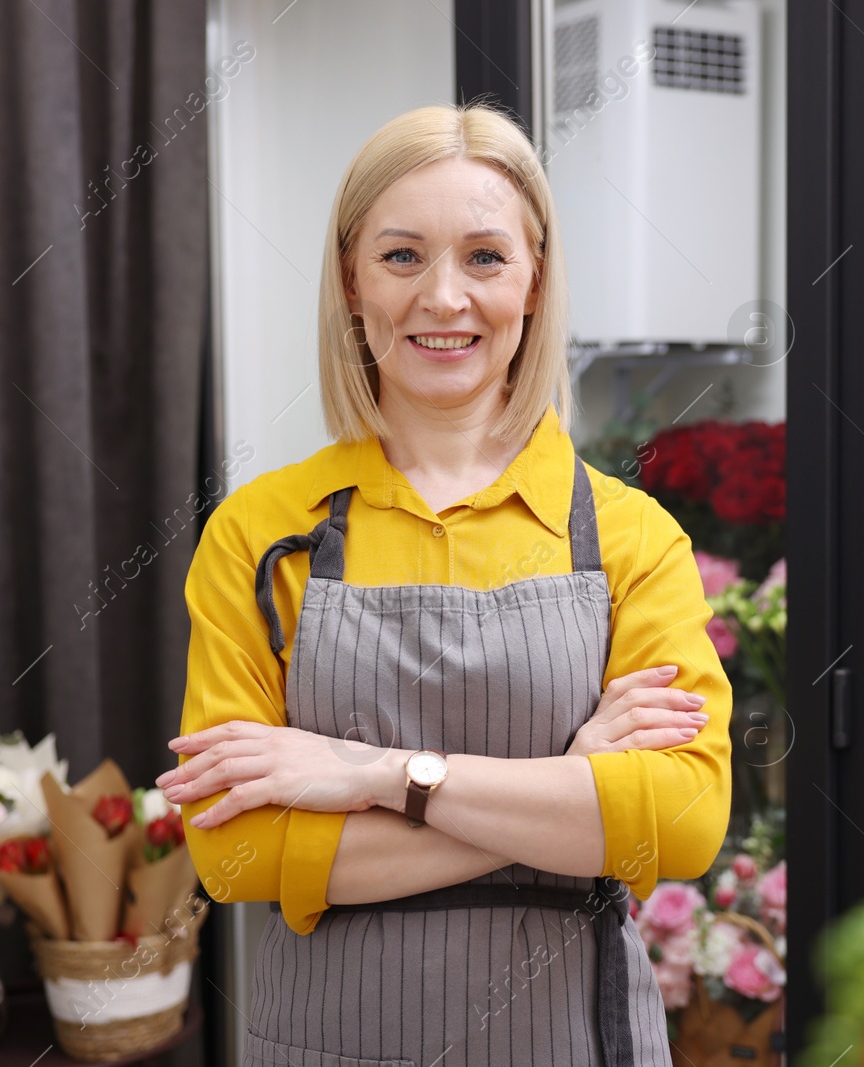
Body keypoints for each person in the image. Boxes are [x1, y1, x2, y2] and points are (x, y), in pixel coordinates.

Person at [157, 102, 732, 1067]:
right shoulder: (262, 536)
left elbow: (679, 823)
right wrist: (575, 795)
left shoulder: (631, 539)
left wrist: (376, 775)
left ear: (534, 279)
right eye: (401, 256)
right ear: (351, 278)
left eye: (485, 257)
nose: (444, 297)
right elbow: (235, 851)